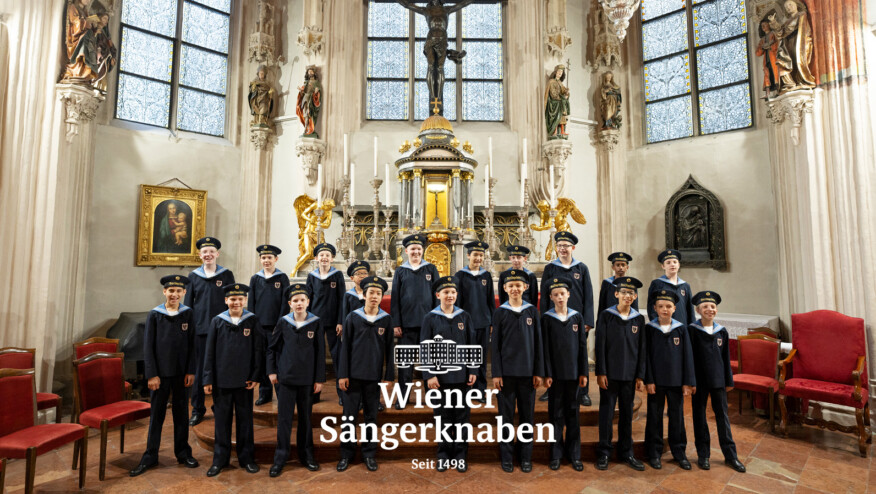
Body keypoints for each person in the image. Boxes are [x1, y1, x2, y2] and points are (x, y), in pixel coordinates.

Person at [130, 275, 199, 477]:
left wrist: (191, 371)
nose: (174, 294)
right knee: (157, 416)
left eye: (179, 291)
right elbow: (148, 347)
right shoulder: (155, 315)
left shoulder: (188, 314)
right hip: (160, 375)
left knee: (181, 415)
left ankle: (183, 453)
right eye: (171, 291)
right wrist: (152, 375)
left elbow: (193, 345)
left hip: (182, 375)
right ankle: (150, 455)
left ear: (184, 293)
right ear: (164, 292)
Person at [202, 284, 262, 477]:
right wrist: (208, 378)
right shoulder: (217, 321)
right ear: (226, 300)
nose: (236, 302)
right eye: (232, 299)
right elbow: (209, 352)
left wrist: (255, 376)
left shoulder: (251, 321)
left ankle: (247, 458)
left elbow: (257, 351)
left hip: (245, 381)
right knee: (222, 421)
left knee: (245, 421)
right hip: (221, 380)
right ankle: (220, 459)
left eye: (240, 299)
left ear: (244, 300)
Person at [337, 276, 395, 472]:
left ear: (381, 296)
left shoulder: (385, 319)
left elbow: (389, 350)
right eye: (371, 293)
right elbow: (344, 348)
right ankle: (346, 454)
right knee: (349, 417)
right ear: (363, 294)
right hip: (352, 376)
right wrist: (342, 374)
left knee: (371, 417)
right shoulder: (353, 317)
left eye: (378, 293)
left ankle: (369, 454)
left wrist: (388, 377)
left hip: (373, 377)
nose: (375, 296)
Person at [420, 276, 478, 473]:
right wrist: (429, 374)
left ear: (457, 295)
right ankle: (443, 454)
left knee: (462, 417)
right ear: (438, 295)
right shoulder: (430, 318)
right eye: (446, 292)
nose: (450, 295)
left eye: (453, 292)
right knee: (442, 417)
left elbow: (472, 344)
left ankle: (461, 454)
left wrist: (472, 370)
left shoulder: (464, 317)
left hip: (462, 377)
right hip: (440, 378)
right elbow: (424, 348)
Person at [267, 283, 325, 477]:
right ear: (290, 303)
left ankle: (306, 455)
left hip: (307, 379)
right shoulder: (283, 322)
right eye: (295, 301)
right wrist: (272, 372)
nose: (299, 303)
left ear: (308, 302)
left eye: (302, 300)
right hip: (286, 379)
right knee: (284, 420)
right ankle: (280, 458)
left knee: (305, 420)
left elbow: (319, 353)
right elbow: (272, 348)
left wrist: (319, 379)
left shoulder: (315, 322)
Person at [491, 270, 544, 473]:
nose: (514, 289)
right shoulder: (500, 312)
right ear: (504, 288)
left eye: (518, 285)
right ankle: (506, 456)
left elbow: (538, 343)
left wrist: (538, 371)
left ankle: (525, 457)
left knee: (526, 417)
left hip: (528, 374)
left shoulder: (532, 311)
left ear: (525, 287)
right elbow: (495, 346)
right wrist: (496, 373)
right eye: (511, 286)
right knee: (505, 417)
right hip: (506, 375)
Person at [689, 291, 746, 473]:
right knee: (699, 417)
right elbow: (689, 359)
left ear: (717, 310)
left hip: (718, 381)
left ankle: (731, 456)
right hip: (699, 381)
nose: (709, 309)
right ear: (698, 310)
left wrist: (728, 380)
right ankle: (703, 455)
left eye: (712, 307)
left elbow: (725, 357)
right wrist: (690, 381)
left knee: (723, 417)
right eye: (705, 306)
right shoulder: (692, 331)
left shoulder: (722, 331)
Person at [595, 277, 647, 471]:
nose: (627, 296)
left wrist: (640, 376)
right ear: (616, 294)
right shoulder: (606, 316)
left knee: (627, 415)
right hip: (610, 374)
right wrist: (601, 372)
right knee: (606, 414)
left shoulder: (638, 319)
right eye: (623, 292)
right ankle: (604, 452)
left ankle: (627, 452)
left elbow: (642, 349)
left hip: (630, 376)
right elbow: (600, 346)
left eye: (631, 293)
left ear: (634, 297)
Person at [185, 237, 235, 426]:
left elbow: (233, 302)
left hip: (222, 330)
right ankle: (198, 409)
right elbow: (188, 305)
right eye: (204, 252)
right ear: (200, 255)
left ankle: (220, 406)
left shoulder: (226, 275)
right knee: (200, 371)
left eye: (211, 252)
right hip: (200, 331)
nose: (208, 255)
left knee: (221, 369)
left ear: (217, 254)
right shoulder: (193, 277)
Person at [643, 289, 696, 470]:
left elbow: (687, 356)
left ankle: (679, 452)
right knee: (654, 417)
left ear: (674, 308)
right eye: (660, 306)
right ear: (655, 309)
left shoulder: (681, 329)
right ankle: (654, 453)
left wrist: (688, 382)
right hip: (656, 382)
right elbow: (646, 356)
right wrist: (648, 380)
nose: (664, 309)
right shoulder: (649, 329)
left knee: (677, 418)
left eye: (668, 306)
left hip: (676, 381)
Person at [540, 231, 594, 406]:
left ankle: (583, 392)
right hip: (553, 319)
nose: (563, 249)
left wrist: (587, 321)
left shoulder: (581, 268)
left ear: (573, 247)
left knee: (580, 355)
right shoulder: (550, 268)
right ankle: (551, 389)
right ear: (557, 248)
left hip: (576, 321)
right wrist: (544, 319)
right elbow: (545, 297)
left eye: (566, 246)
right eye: (560, 246)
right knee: (553, 354)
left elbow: (589, 296)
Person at [542, 277, 587, 471]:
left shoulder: (576, 317)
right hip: (556, 376)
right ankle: (556, 454)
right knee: (556, 415)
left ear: (569, 294)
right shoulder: (547, 318)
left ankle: (575, 454)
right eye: (556, 294)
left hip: (574, 374)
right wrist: (547, 373)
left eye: (563, 294)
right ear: (551, 297)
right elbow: (544, 348)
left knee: (573, 415)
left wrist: (583, 372)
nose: (560, 297)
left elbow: (583, 348)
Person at [390, 234, 440, 409]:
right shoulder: (400, 271)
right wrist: (396, 323)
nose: (416, 252)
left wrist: (436, 322)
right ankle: (402, 398)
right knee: (405, 365)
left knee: (430, 363)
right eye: (413, 249)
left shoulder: (431, 269)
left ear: (423, 250)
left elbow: (437, 297)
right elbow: (395, 298)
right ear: (406, 251)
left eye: (419, 249)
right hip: (406, 326)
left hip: (428, 325)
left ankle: (432, 397)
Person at [248, 244, 290, 406]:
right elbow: (251, 303)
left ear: (276, 259)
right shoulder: (255, 279)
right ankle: (264, 394)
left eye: (269, 258)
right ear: (260, 259)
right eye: (263, 258)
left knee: (277, 359)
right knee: (263, 359)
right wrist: (252, 323)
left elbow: (284, 304)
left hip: (277, 326)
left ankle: (281, 393)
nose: (266, 260)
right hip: (259, 326)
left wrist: (280, 324)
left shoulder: (282, 278)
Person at [305, 243, 345, 405]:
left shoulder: (337, 276)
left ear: (332, 258)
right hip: (315, 322)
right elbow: (308, 299)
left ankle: (342, 395)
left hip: (333, 322)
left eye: (327, 255)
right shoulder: (311, 276)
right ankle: (314, 394)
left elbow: (342, 299)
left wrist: (340, 322)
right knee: (316, 357)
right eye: (321, 255)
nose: (324, 258)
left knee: (337, 357)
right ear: (316, 258)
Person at [454, 241, 495, 397]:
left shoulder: (486, 276)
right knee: (465, 356)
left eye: (481, 255)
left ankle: (480, 389)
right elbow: (457, 302)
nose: (478, 258)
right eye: (475, 255)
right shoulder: (460, 276)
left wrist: (491, 322)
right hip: (466, 324)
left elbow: (490, 300)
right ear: (468, 255)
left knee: (481, 357)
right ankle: (465, 388)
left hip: (483, 322)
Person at [647, 249, 694, 327]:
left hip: (682, 327)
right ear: (663, 266)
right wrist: (657, 326)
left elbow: (690, 311)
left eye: (675, 262)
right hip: (663, 327)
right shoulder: (657, 284)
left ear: (679, 265)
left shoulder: (685, 286)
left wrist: (691, 330)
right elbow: (652, 308)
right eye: (668, 263)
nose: (672, 265)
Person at [597, 252, 638, 317]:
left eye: (623, 265)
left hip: (626, 319)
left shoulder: (631, 285)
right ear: (613, 267)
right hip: (609, 318)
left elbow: (635, 307)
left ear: (627, 267)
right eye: (618, 265)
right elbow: (602, 305)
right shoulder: (607, 283)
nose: (620, 267)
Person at [545, 64, 570, 139]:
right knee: (560, 106)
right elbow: (553, 94)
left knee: (563, 107)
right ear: (555, 72)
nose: (560, 73)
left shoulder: (560, 83)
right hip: (554, 102)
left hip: (559, 101)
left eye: (561, 72)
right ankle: (554, 131)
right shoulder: (551, 82)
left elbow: (563, 91)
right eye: (559, 71)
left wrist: (566, 92)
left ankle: (562, 130)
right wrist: (562, 97)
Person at [296, 65, 321, 136]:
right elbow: (303, 92)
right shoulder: (306, 83)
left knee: (309, 114)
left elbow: (319, 93)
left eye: (311, 71)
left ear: (314, 73)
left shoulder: (316, 83)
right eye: (308, 72)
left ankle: (309, 128)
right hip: (305, 99)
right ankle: (306, 128)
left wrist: (316, 93)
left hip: (311, 99)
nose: (310, 73)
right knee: (305, 114)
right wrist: (301, 91)